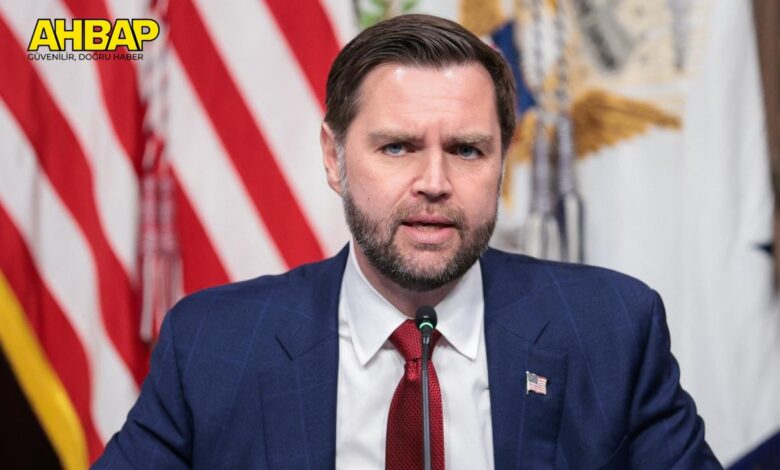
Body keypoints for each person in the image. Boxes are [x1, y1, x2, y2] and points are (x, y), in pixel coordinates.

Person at [95, 14, 721, 469]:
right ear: (334, 157)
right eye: (397, 147)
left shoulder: (612, 330)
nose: (435, 183)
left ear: (503, 160)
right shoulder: (214, 345)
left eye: (467, 150)